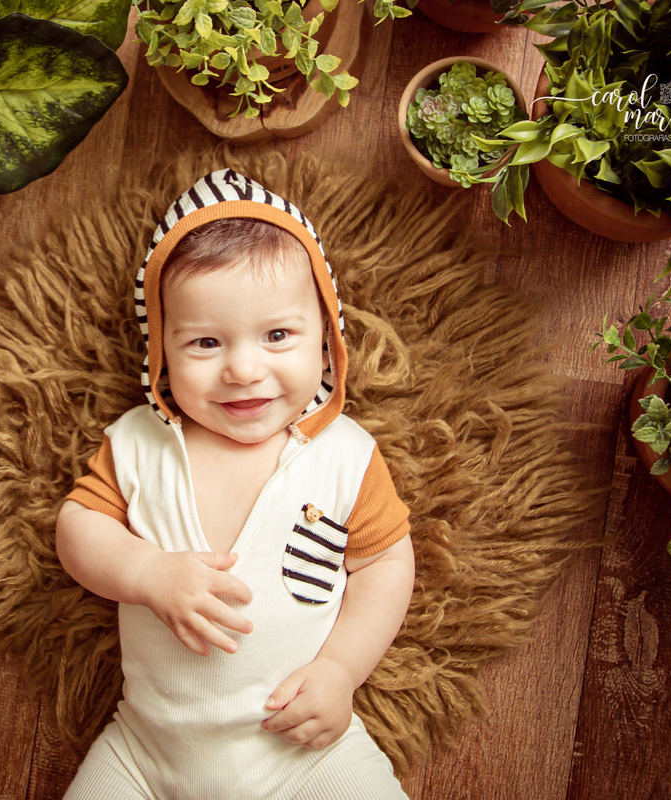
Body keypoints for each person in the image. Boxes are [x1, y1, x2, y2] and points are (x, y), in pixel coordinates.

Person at [56, 169, 415, 800]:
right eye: (205, 342)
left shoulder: (344, 456)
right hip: (146, 750)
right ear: (160, 351)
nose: (244, 369)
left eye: (278, 335)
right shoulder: (140, 442)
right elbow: (78, 528)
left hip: (301, 753)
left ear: (326, 341)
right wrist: (146, 575)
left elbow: (385, 564)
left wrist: (340, 671)